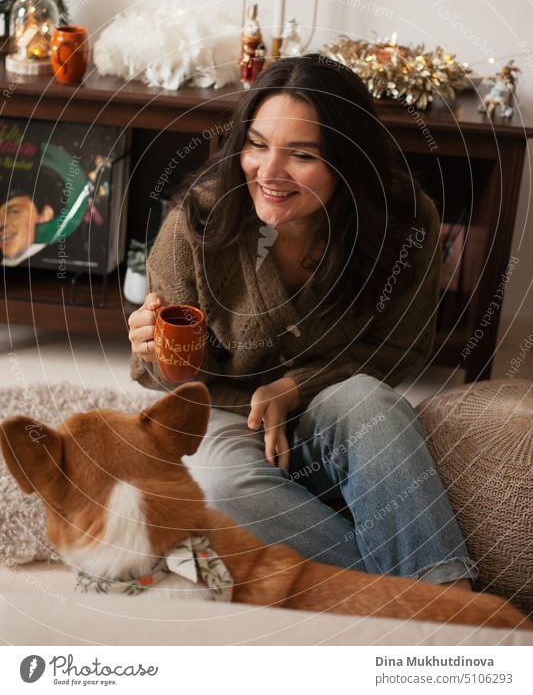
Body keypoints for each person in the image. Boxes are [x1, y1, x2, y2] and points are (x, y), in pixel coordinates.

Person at [129, 54, 477, 588]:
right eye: (258, 145)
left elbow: (401, 350)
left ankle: (439, 594)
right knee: (218, 482)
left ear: (348, 160)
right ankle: (420, 598)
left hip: (332, 408)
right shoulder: (196, 223)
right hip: (229, 418)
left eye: (302, 155)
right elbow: (180, 383)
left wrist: (295, 387)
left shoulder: (406, 222)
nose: (269, 173)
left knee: (369, 401)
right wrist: (154, 353)